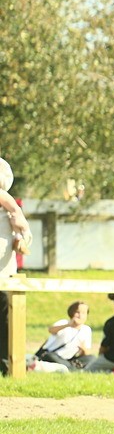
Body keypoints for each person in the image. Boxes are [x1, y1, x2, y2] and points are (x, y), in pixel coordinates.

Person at [0, 157, 32, 376]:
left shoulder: (13, 214)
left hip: (4, 275)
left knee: (4, 324)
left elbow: (26, 237)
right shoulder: (13, 210)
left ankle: (4, 366)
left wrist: (21, 241)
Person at [36, 301, 93, 369]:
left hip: (68, 359)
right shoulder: (64, 323)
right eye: (77, 312)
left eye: (83, 313)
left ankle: (68, 367)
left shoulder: (86, 329)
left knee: (91, 358)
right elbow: (51, 330)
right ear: (72, 313)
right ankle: (71, 368)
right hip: (52, 355)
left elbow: (87, 353)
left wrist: (83, 349)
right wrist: (68, 325)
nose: (80, 316)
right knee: (50, 356)